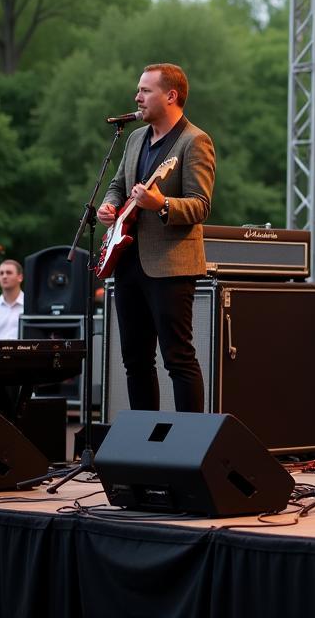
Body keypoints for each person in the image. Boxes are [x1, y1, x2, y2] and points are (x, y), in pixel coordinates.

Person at [96, 63, 215, 413]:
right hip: (128, 260)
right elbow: (118, 185)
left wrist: (161, 203)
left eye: (145, 90)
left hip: (171, 266)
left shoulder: (195, 141)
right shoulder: (134, 139)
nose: (137, 97)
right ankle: (144, 444)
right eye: (139, 90)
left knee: (177, 359)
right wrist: (109, 206)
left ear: (171, 96)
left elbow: (200, 206)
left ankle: (188, 445)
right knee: (134, 360)